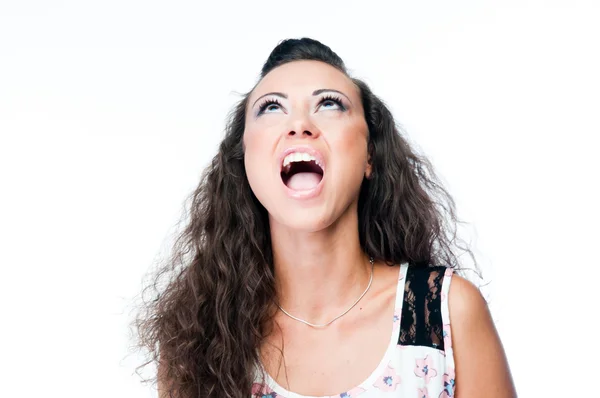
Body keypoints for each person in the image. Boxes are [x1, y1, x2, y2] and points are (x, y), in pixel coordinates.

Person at [135, 37, 516, 398]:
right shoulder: (201, 338)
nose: (299, 124)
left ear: (370, 155)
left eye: (329, 104)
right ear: (244, 159)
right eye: (271, 107)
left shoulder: (442, 312)